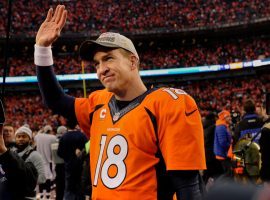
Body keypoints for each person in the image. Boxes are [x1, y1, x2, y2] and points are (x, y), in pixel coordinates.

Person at [34, 5, 206, 200]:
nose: (101, 69)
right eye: (97, 63)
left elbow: (188, 187)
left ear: (132, 62)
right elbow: (55, 100)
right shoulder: (98, 102)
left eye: (109, 59)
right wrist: (42, 48)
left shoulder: (168, 103)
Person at [0, 100, 38, 199]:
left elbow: (30, 181)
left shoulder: (20, 153)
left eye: (10, 131)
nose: (7, 133)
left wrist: (5, 152)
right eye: (5, 131)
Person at [57, 123, 88, 200]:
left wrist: (67, 158)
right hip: (81, 166)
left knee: (69, 188)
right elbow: (87, 150)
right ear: (75, 125)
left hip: (69, 165)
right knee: (80, 188)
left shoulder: (64, 137)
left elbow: (59, 153)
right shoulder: (82, 135)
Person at [213, 110, 233, 178]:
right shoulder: (221, 127)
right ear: (224, 118)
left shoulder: (223, 126)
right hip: (223, 154)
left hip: (224, 153)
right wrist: (231, 145)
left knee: (228, 173)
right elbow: (223, 143)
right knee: (229, 173)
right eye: (228, 116)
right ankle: (218, 185)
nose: (230, 118)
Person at [51, 125, 67, 200]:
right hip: (64, 164)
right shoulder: (64, 140)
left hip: (57, 164)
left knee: (59, 184)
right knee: (64, 184)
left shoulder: (53, 140)